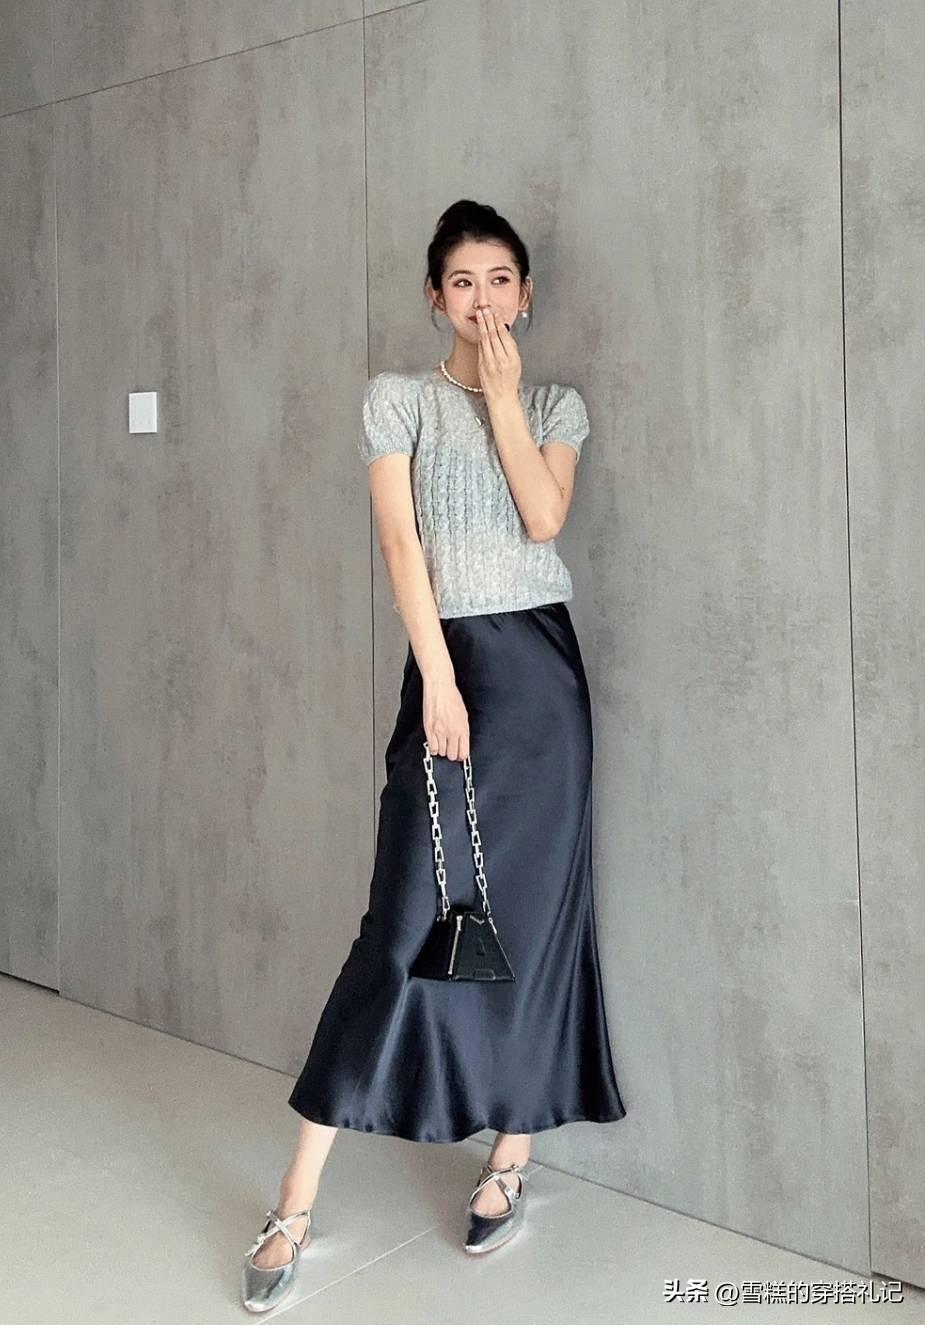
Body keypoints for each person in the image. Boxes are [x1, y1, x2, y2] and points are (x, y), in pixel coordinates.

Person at [240, 199, 627, 1313]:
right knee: (403, 920)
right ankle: (295, 1199)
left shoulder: (553, 403)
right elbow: (400, 542)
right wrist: (441, 680)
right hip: (448, 668)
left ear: (526, 294)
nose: (482, 298)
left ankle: (512, 1151)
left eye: (501, 279)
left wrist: (504, 400)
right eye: (463, 280)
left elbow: (542, 519)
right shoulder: (396, 399)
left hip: (543, 683)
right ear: (433, 295)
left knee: (539, 918)